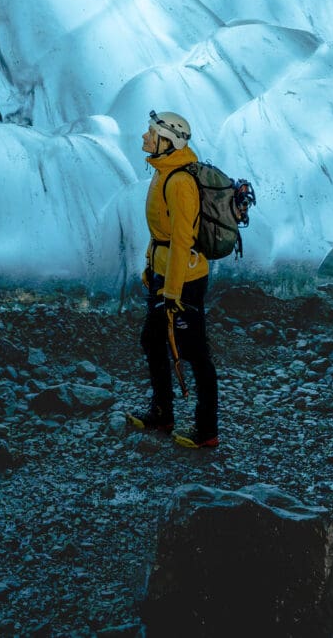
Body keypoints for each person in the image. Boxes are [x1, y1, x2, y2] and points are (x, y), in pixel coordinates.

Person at [125, 109, 219, 449]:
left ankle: (207, 430)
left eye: (151, 133)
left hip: (184, 280)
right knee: (152, 341)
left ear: (168, 142)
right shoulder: (163, 171)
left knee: (195, 353)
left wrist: (173, 292)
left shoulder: (180, 182)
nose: (145, 137)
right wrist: (151, 269)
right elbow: (160, 232)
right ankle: (162, 414)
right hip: (164, 274)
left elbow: (181, 240)